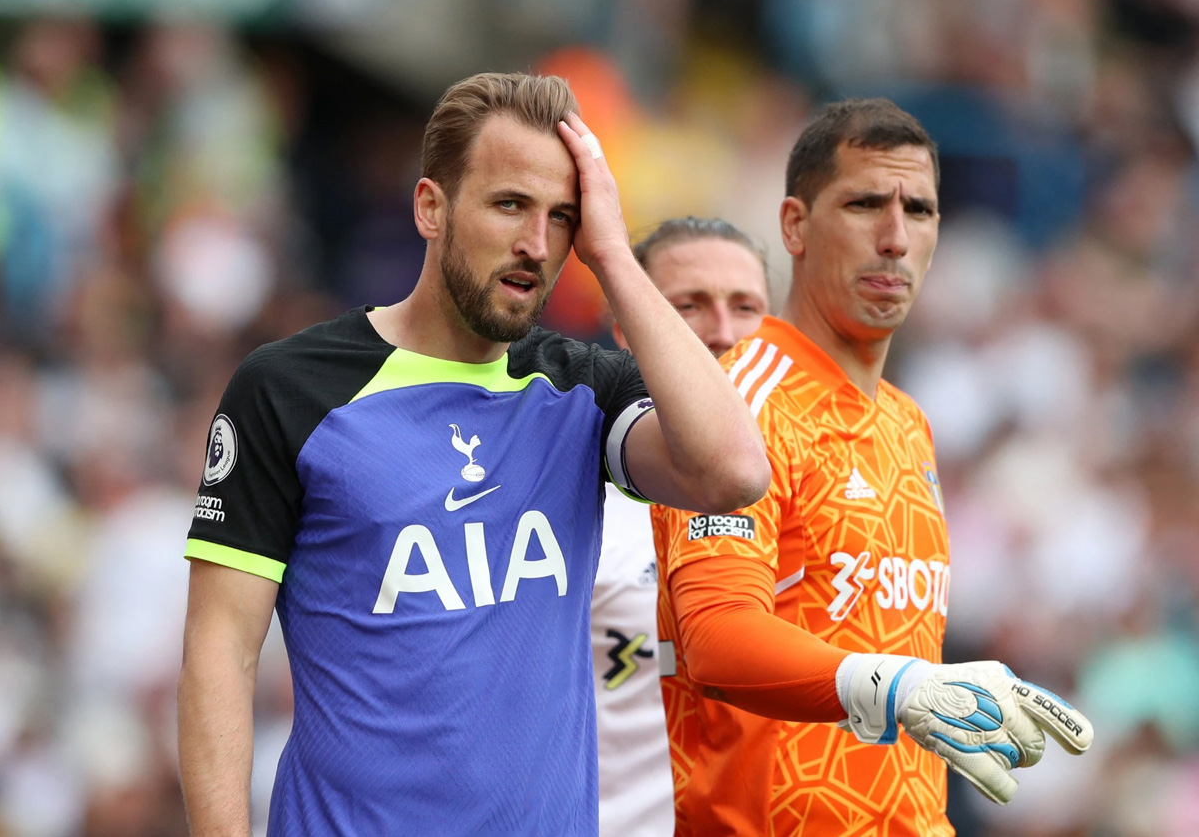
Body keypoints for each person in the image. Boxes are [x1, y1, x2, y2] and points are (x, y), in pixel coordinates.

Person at [175, 72, 771, 836]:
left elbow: (734, 473)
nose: (536, 243)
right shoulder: (290, 390)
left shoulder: (581, 387)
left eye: (563, 217)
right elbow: (219, 655)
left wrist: (616, 258)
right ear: (431, 207)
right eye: (510, 204)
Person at [651, 98, 1094, 836]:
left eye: (917, 211)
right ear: (794, 224)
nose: (894, 238)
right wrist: (897, 685)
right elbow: (717, 637)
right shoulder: (739, 404)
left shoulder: (908, 423)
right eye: (864, 204)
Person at [593, 216, 771, 836]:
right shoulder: (576, 498)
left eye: (746, 307)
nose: (723, 333)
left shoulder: (827, 490)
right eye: (688, 306)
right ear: (627, 329)